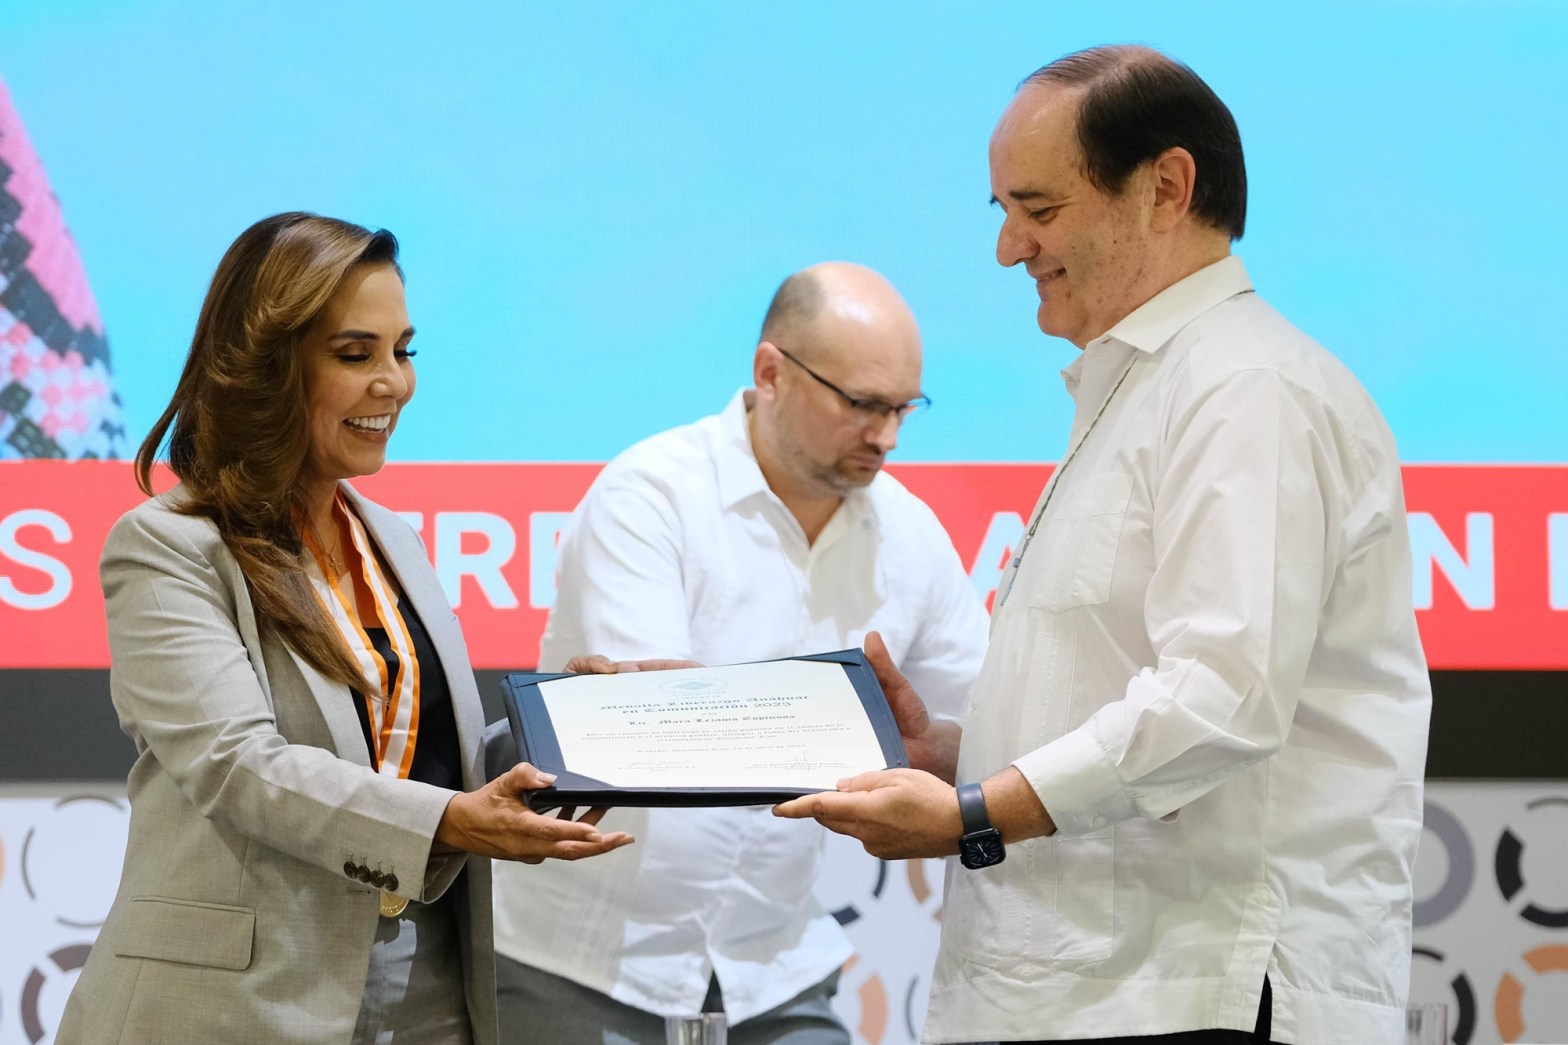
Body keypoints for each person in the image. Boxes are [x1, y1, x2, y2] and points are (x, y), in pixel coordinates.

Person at [777, 46, 1431, 1045]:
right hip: (1107, 989)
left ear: (1165, 187)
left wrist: (974, 812)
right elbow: (1131, 686)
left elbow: (1217, 699)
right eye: (1002, 211)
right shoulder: (1148, 389)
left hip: (1201, 994)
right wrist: (960, 758)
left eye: (1037, 209)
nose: (1008, 249)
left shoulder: (1246, 390)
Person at [56, 212, 632, 1045]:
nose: (393, 383)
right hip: (236, 1005)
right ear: (266, 365)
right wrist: (449, 822)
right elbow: (238, 764)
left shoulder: (390, 537)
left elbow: (420, 758)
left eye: (404, 351)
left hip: (426, 986)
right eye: (356, 354)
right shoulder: (166, 545)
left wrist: (581, 723)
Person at [492, 262, 990, 1044]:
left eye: (904, 407)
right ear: (771, 372)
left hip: (777, 962)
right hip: (584, 957)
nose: (887, 435)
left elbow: (984, 722)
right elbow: (663, 735)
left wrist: (947, 759)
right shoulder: (649, 495)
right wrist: (849, 732)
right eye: (862, 404)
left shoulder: (911, 534)